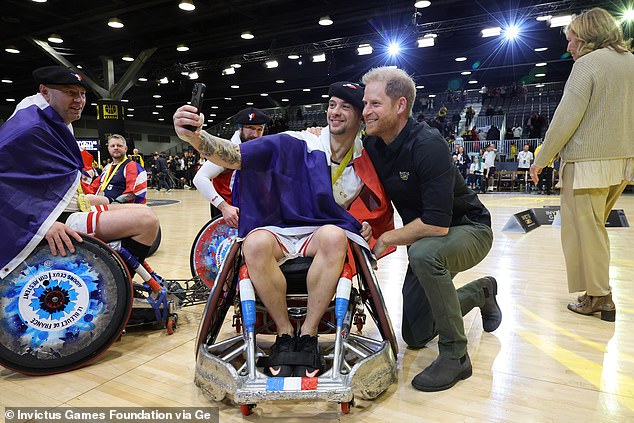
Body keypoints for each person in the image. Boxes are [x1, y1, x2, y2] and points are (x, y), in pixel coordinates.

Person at [173, 81, 392, 379]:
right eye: (331, 105)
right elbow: (234, 156)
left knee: (334, 236)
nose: (335, 113)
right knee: (254, 243)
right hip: (279, 226)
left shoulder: (364, 160)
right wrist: (196, 136)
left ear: (360, 116)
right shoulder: (299, 141)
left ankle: (310, 335)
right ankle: (285, 334)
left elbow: (371, 208)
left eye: (345, 107)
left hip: (320, 233)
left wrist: (365, 224)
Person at [361, 66, 501, 392]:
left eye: (375, 104)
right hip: (429, 238)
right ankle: (481, 292)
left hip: (469, 228)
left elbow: (437, 225)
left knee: (424, 254)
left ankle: (456, 356)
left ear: (400, 105)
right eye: (365, 103)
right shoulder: (374, 145)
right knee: (417, 334)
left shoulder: (427, 143)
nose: (365, 111)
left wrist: (386, 238)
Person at [0, 66, 159, 279]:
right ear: (45, 91)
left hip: (62, 209)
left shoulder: (52, 120)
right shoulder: (28, 129)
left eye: (82, 94)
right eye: (70, 93)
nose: (79, 100)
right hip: (51, 218)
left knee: (131, 207)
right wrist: (40, 226)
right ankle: (111, 288)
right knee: (146, 220)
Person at [530, 8, 634, 321]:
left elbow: (565, 120)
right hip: (622, 162)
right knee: (595, 230)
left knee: (584, 233)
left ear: (588, 37)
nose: (569, 47)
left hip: (587, 164)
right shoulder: (631, 61)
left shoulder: (587, 65)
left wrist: (542, 159)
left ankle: (600, 297)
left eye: (572, 39)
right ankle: (593, 291)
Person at [193, 107, 270, 224]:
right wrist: (224, 207)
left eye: (260, 129)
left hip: (251, 214)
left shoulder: (259, 150)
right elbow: (199, 178)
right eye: (250, 128)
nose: (255, 134)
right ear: (240, 128)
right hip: (230, 215)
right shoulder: (228, 150)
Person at [85, 134, 147, 205]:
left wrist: (117, 202)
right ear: (108, 149)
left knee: (88, 199)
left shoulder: (132, 166)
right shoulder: (107, 167)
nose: (116, 148)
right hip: (100, 201)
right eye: (112, 146)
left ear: (125, 148)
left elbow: (133, 192)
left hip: (117, 205)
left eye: (119, 145)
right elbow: (95, 185)